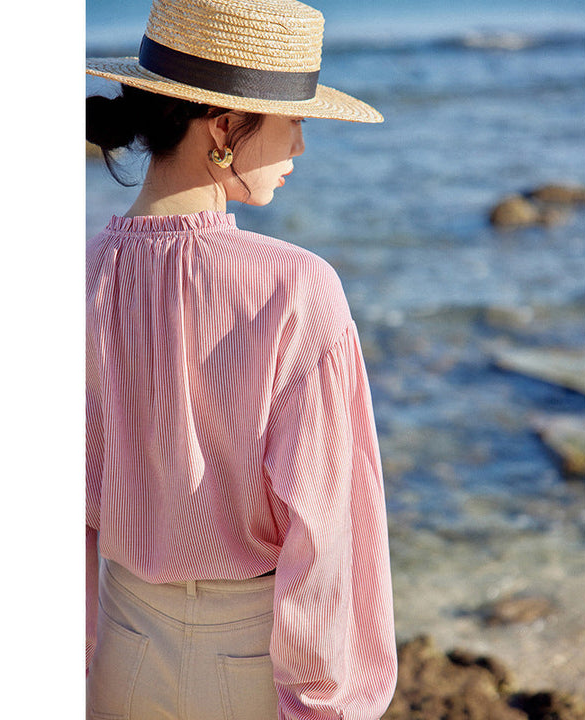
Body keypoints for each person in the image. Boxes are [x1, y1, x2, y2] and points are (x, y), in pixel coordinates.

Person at [85, 1, 397, 719]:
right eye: (297, 124)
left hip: (117, 647)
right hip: (248, 664)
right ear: (225, 128)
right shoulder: (295, 285)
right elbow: (326, 528)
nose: (301, 151)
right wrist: (325, 701)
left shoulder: (81, 272)